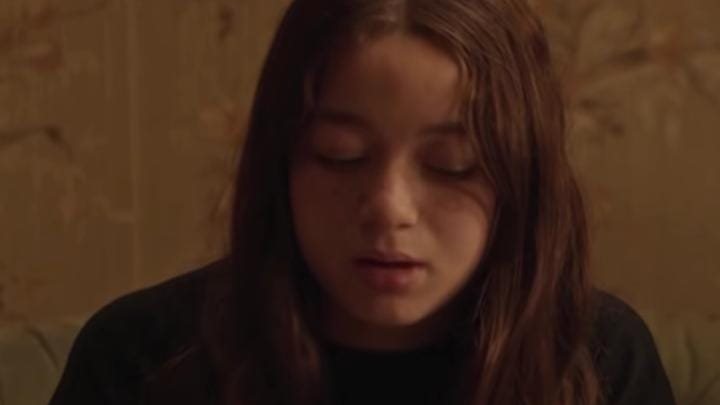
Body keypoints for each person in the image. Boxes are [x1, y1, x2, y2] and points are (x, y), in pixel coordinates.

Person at [48, 0, 676, 404]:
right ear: (280, 163)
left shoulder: (596, 360)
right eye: (340, 155)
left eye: (452, 165)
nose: (388, 208)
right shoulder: (141, 356)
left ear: (521, 179)